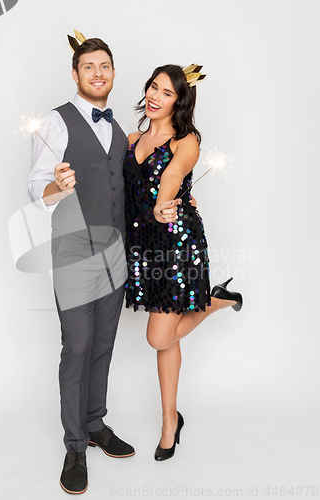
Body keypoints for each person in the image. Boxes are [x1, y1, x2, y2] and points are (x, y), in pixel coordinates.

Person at [27, 33, 135, 495]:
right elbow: (35, 189)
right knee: (78, 346)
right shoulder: (56, 121)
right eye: (88, 66)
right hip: (73, 251)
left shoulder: (119, 129)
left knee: (103, 345)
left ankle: (95, 424)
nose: (97, 73)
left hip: (116, 252)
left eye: (104, 66)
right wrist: (57, 186)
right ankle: (75, 445)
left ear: (113, 73)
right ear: (75, 75)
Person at [123, 64, 243, 461]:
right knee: (167, 336)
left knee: (158, 337)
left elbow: (172, 178)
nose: (156, 96)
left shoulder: (186, 141)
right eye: (153, 87)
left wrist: (162, 205)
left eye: (167, 92)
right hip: (144, 246)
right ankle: (170, 422)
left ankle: (217, 301)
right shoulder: (130, 139)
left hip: (177, 244)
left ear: (180, 101)